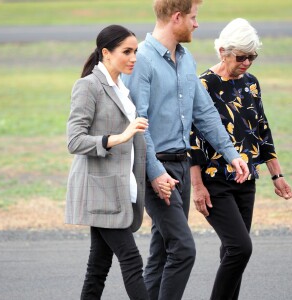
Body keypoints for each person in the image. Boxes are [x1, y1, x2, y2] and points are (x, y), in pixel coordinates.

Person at [122, 1, 249, 299]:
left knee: (163, 252)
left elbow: (204, 114)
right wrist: (154, 174)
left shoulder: (186, 58)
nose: (196, 24)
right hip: (155, 166)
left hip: (181, 164)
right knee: (183, 248)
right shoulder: (142, 61)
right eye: (193, 17)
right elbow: (138, 126)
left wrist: (232, 155)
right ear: (176, 17)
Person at [65, 24, 171, 300]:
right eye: (127, 51)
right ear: (106, 53)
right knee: (132, 261)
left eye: (135, 51)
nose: (134, 57)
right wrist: (119, 137)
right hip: (99, 192)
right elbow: (74, 141)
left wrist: (156, 174)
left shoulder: (122, 88)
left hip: (119, 192)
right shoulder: (88, 86)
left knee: (98, 266)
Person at [190, 18, 292, 300]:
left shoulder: (251, 84)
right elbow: (192, 139)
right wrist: (197, 186)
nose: (247, 63)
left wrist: (277, 175)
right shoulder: (204, 84)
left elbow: (262, 129)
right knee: (240, 248)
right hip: (215, 182)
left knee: (231, 252)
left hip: (246, 180)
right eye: (241, 56)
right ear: (222, 51)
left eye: (252, 57)